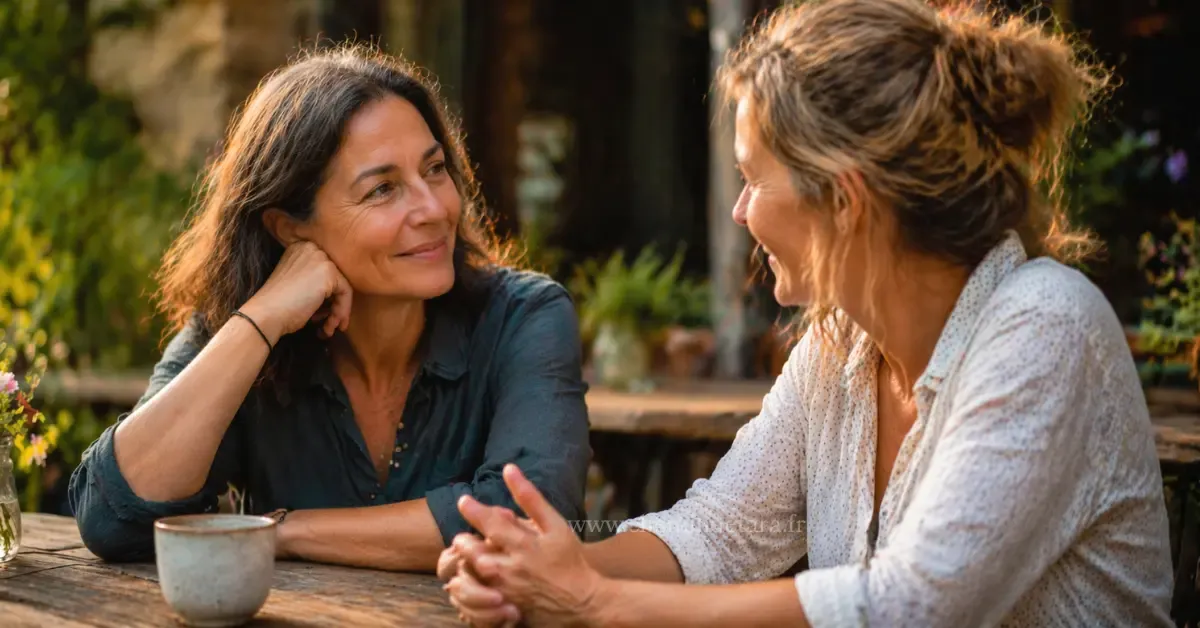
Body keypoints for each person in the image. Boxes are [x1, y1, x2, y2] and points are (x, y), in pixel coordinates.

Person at [440, 0, 1175, 625]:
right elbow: (721, 532)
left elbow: (909, 607)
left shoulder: (1046, 326)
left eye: (753, 178)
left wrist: (598, 601)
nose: (737, 211)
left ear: (845, 201)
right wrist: (548, 573)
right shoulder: (839, 348)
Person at [68, 46, 591, 573]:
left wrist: (281, 531)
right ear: (291, 228)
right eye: (383, 189)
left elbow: (528, 520)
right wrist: (262, 319)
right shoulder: (243, 334)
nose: (434, 209)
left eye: (434, 169)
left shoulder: (525, 316)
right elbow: (112, 519)